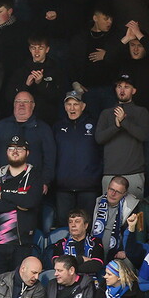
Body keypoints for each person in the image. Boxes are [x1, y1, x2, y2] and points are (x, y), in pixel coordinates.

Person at [0, 136, 43, 281]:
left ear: (27, 152)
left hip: (21, 245)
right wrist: (18, 202)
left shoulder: (34, 176)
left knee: (18, 289)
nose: (15, 151)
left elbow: (30, 202)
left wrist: (2, 194)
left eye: (19, 148)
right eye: (11, 148)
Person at [96, 74, 149, 198]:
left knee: (133, 215)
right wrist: (116, 126)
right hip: (110, 174)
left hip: (133, 174)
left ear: (134, 90)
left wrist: (124, 121)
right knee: (109, 215)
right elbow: (99, 138)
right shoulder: (106, 113)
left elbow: (142, 136)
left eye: (126, 87)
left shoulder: (141, 112)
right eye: (119, 86)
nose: (122, 90)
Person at [54, 91, 103, 221]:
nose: (72, 108)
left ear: (83, 106)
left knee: (88, 227)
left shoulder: (94, 125)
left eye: (76, 104)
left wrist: (95, 176)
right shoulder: (58, 127)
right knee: (64, 228)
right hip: (63, 188)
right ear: (64, 107)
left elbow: (102, 153)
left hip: (88, 188)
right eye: (69, 104)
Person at [48, 209, 105, 275]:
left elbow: (96, 265)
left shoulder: (96, 242)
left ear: (85, 225)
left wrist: (69, 268)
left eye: (77, 221)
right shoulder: (60, 243)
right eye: (70, 222)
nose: (73, 225)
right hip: (66, 283)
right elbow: (57, 264)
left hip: (89, 282)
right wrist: (81, 259)